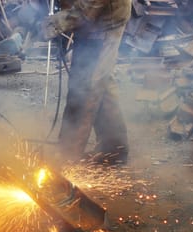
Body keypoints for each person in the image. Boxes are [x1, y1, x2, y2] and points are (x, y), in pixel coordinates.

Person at [41, 0, 131, 164]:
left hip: (102, 24)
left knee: (84, 88)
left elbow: (89, 7)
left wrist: (58, 22)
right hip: (97, 21)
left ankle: (67, 158)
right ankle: (114, 149)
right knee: (100, 82)